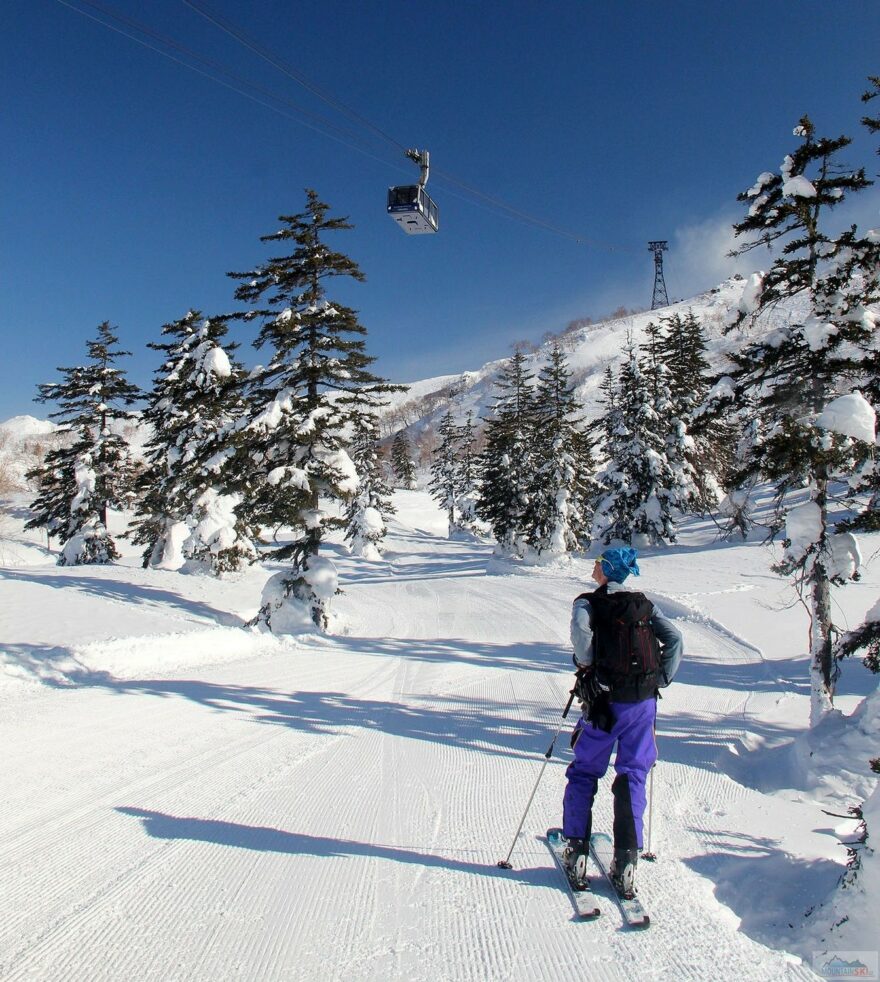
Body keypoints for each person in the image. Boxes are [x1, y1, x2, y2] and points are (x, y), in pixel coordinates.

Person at [562, 547, 682, 898]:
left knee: (585, 770)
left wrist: (586, 667)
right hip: (643, 703)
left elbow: (583, 643)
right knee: (633, 774)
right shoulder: (644, 604)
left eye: (599, 562)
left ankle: (578, 851)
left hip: (604, 703)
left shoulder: (587, 602)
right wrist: (661, 678)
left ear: (607, 569)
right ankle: (627, 860)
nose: (594, 566)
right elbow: (675, 639)